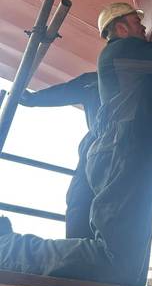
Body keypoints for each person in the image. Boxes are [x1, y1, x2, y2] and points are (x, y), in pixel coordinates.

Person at [0, 2, 152, 286]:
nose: (144, 27)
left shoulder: (130, 71)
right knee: (117, 262)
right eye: (136, 21)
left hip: (136, 153)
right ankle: (7, 252)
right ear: (120, 28)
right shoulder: (118, 51)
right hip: (124, 149)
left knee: (126, 270)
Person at [19, 72, 99, 239]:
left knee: (80, 201)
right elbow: (68, 91)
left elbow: (69, 91)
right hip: (100, 149)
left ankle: (80, 254)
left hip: (103, 148)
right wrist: (33, 99)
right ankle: (80, 254)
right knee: (80, 201)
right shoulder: (97, 79)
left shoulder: (99, 77)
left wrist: (33, 99)